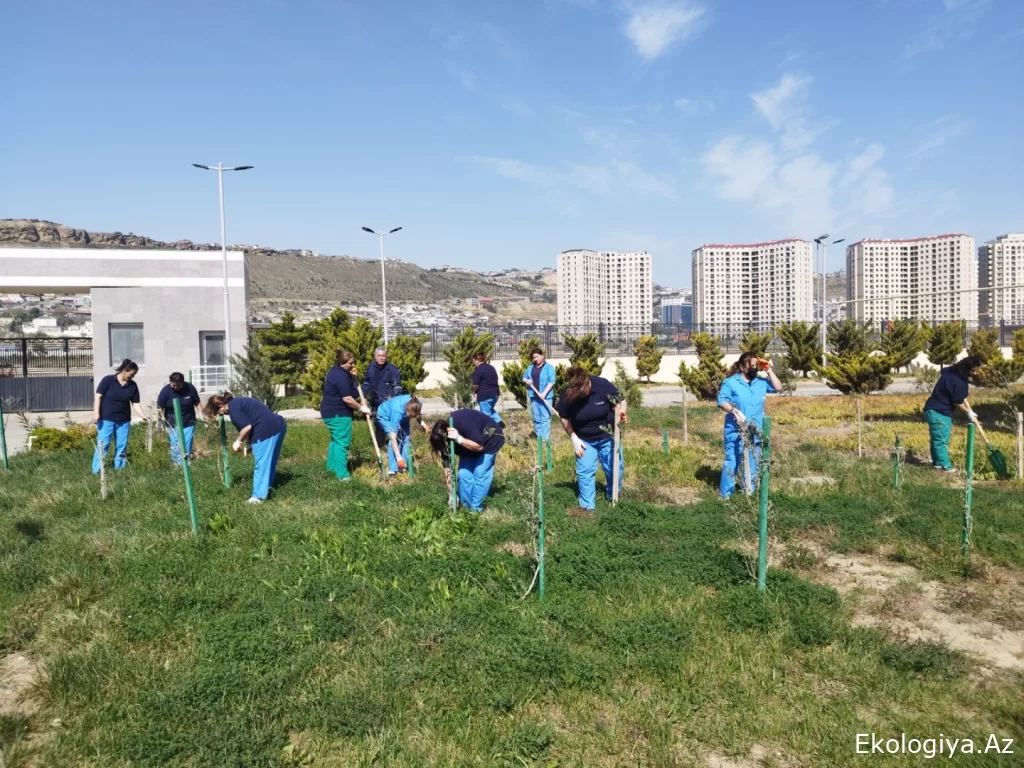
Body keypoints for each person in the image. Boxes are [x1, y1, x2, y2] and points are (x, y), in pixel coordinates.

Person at [556, 365, 626, 513]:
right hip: (584, 439)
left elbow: (621, 401)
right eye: (578, 391)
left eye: (583, 389)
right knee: (585, 471)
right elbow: (564, 417)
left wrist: (621, 412)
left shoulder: (602, 385)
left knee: (615, 468)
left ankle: (613, 494)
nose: (582, 393)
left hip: (607, 436)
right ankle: (587, 508)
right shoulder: (568, 394)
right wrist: (574, 437)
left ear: (587, 381)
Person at [716, 352, 782, 499]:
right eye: (750, 365)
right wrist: (733, 411)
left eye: (755, 365)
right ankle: (725, 496)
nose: (753, 368)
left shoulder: (761, 382)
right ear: (741, 366)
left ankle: (749, 493)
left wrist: (769, 370)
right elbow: (722, 401)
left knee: (753, 462)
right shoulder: (731, 382)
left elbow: (778, 387)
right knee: (732, 461)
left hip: (756, 430)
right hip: (736, 430)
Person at [205, 393, 286, 504]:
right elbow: (252, 422)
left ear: (220, 406)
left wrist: (238, 442)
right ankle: (267, 488)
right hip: (278, 426)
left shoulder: (233, 409)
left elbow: (247, 427)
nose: (220, 415)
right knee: (269, 462)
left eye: (217, 413)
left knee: (261, 464)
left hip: (265, 431)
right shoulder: (238, 402)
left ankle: (258, 497)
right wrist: (248, 444)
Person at [426, 408, 505, 512]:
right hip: (468, 446)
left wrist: (459, 439)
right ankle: (466, 508)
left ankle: (476, 509)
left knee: (480, 473)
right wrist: (451, 493)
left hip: (489, 438)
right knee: (463, 474)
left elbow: (479, 447)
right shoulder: (443, 441)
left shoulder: (462, 422)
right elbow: (448, 469)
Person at [923, 355, 982, 473]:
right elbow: (957, 401)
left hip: (931, 409)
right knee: (941, 439)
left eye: (976, 370)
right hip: (939, 411)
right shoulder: (959, 382)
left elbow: (955, 393)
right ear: (966, 368)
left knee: (937, 438)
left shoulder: (951, 372)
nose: (975, 373)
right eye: (973, 370)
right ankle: (946, 465)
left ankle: (937, 463)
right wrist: (969, 412)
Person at [321, 348, 370, 481]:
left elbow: (352, 392)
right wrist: (361, 408)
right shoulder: (340, 376)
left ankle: (331, 470)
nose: (353, 365)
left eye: (353, 362)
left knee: (336, 441)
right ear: (342, 362)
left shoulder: (340, 371)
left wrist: (354, 378)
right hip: (338, 413)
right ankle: (342, 475)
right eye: (350, 363)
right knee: (342, 443)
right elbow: (347, 398)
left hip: (331, 412)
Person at [92, 359, 147, 473]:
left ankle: (120, 469)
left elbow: (135, 403)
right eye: (131, 374)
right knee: (104, 444)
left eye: (134, 374)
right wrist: (96, 414)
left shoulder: (132, 385)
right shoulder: (108, 380)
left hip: (124, 420)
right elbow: (98, 397)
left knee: (122, 445)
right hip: (106, 419)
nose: (133, 376)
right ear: (123, 371)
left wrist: (143, 416)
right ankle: (97, 470)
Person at [156, 372, 203, 466]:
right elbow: (159, 407)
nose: (175, 387)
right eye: (173, 385)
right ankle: (176, 464)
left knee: (187, 443)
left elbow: (196, 402)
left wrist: (202, 413)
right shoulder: (166, 390)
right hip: (172, 421)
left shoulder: (190, 388)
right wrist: (159, 420)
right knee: (175, 443)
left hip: (188, 421)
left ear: (183, 382)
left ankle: (186, 463)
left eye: (178, 385)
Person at [376, 392, 423, 475]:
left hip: (403, 416)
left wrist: (423, 424)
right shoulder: (397, 412)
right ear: (406, 410)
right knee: (397, 440)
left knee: (406, 439)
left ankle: (402, 468)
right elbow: (393, 437)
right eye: (410, 416)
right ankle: (393, 470)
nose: (411, 418)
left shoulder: (417, 403)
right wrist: (398, 458)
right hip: (385, 416)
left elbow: (417, 414)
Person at [521, 346, 555, 443]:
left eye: (537, 356)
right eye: (534, 357)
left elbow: (551, 382)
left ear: (542, 356)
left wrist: (544, 393)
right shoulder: (530, 367)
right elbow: (524, 377)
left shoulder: (549, 368)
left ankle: (545, 439)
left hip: (545, 397)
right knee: (536, 417)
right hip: (534, 396)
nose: (535, 359)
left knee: (545, 418)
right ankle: (539, 437)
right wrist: (526, 380)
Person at [471, 351, 503, 427]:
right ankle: (499, 422)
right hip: (495, 394)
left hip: (485, 395)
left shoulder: (478, 370)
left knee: (486, 416)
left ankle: (490, 431)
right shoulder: (491, 368)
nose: (474, 363)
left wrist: (473, 392)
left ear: (477, 360)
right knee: (490, 409)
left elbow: (476, 385)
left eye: (474, 361)